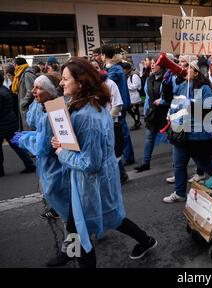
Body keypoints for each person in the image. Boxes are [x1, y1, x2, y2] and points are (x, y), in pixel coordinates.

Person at [51, 58, 157, 268]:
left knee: (86, 225)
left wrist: (62, 151)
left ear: (80, 83)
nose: (60, 83)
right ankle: (145, 240)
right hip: (87, 180)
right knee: (79, 222)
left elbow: (90, 163)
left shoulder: (87, 116)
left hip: (91, 181)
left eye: (64, 79)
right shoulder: (85, 104)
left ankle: (144, 241)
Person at [14, 73, 72, 266]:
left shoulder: (54, 111)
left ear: (50, 91)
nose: (33, 91)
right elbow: (35, 125)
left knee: (69, 218)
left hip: (58, 172)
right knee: (71, 216)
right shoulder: (47, 107)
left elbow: (43, 148)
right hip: (55, 170)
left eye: (38, 88)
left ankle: (71, 251)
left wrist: (24, 139)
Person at [162, 59, 212, 203]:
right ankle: (180, 193)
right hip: (181, 133)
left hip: (197, 135)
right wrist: (166, 83)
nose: (184, 69)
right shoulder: (183, 85)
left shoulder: (205, 88)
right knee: (179, 165)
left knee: (206, 165)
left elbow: (209, 110)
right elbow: (170, 100)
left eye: (189, 67)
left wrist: (191, 105)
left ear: (197, 72)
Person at [101, 45, 135, 165]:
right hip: (119, 103)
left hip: (117, 105)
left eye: (101, 54)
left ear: (104, 55)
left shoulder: (114, 69)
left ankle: (127, 157)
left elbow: (106, 83)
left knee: (121, 132)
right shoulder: (115, 67)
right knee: (122, 131)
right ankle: (128, 156)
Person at [134, 58, 169, 173]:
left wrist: (163, 101)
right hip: (152, 113)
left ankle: (177, 166)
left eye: (155, 64)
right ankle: (145, 163)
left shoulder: (167, 79)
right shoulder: (149, 78)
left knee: (173, 140)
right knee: (149, 138)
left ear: (162, 66)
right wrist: (145, 111)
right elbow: (148, 97)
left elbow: (171, 96)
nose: (152, 66)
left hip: (165, 114)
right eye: (152, 64)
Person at [0, 71, 36, 177]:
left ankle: (0, 171)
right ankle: (29, 164)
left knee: (15, 145)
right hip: (11, 121)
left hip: (3, 123)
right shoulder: (5, 90)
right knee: (17, 145)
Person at [12, 57, 38, 131]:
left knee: (29, 128)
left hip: (28, 107)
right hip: (26, 107)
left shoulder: (27, 74)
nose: (14, 67)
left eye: (14, 65)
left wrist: (23, 103)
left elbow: (31, 91)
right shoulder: (22, 73)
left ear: (17, 65)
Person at [123, 62, 142, 130]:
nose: (123, 71)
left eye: (124, 69)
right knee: (131, 109)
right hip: (131, 96)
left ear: (127, 69)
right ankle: (137, 121)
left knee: (135, 110)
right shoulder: (129, 75)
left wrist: (126, 86)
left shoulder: (134, 75)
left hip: (134, 96)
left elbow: (135, 86)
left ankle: (137, 122)